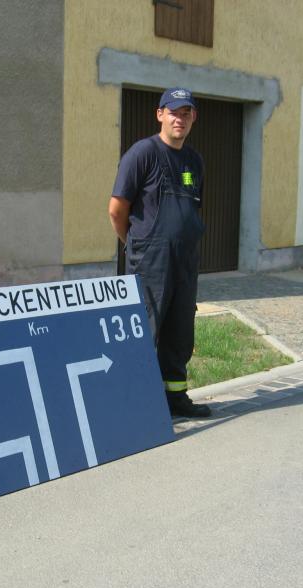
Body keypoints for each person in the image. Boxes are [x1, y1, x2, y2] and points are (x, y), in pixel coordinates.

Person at [108, 88, 211, 419]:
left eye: (186, 113)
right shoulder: (143, 154)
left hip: (185, 260)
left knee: (179, 331)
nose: (179, 118)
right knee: (145, 330)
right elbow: (116, 210)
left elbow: (191, 209)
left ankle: (175, 398)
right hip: (150, 261)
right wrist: (135, 244)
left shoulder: (194, 161)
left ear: (193, 118)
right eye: (173, 112)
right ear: (160, 115)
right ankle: (135, 406)